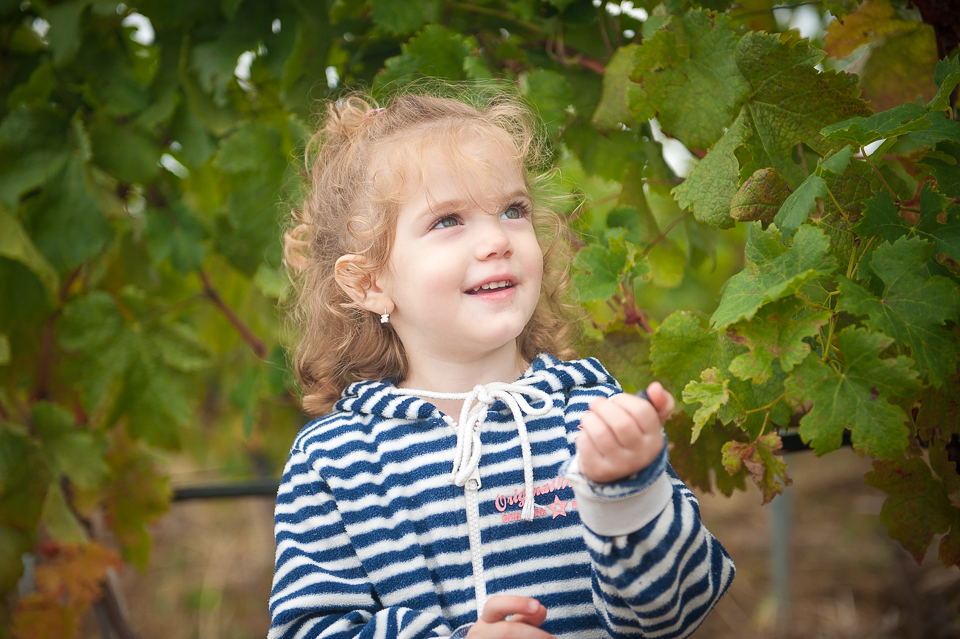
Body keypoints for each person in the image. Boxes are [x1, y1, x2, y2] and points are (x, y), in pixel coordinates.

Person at [270, 85, 735, 639]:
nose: (497, 238)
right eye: (448, 220)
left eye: (513, 211)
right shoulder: (334, 461)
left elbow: (681, 613)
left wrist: (631, 495)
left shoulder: (589, 414)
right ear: (369, 282)